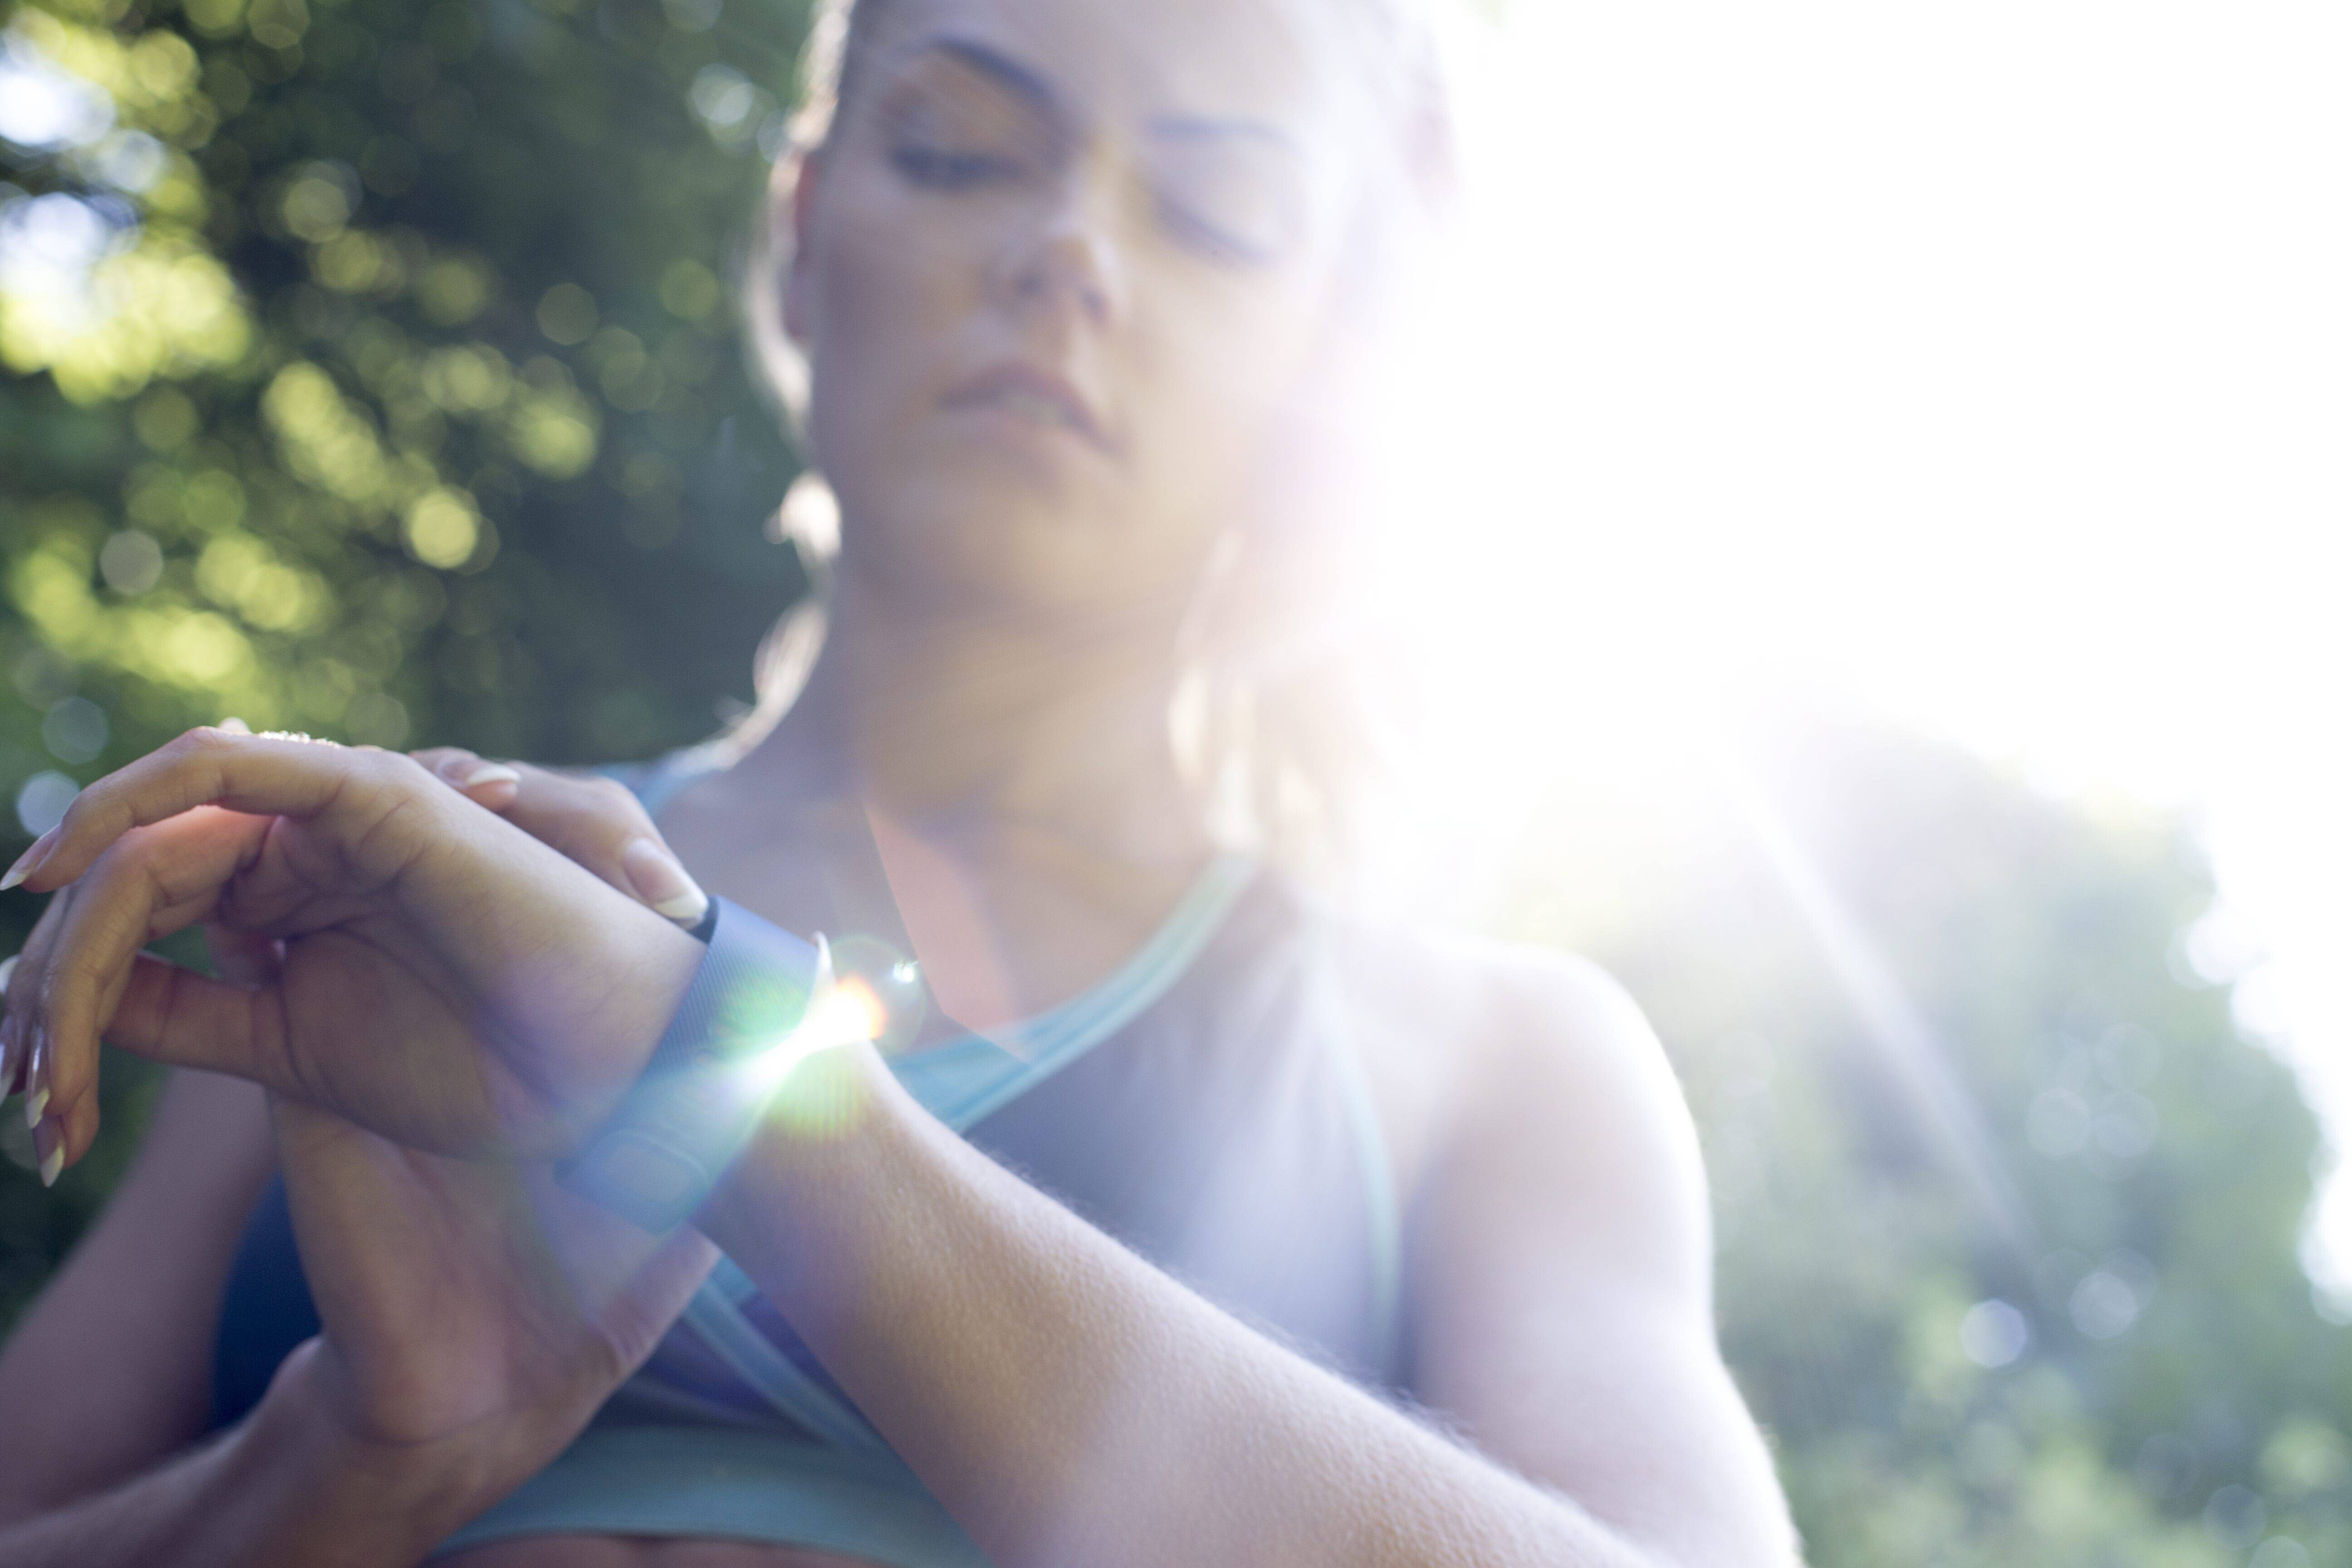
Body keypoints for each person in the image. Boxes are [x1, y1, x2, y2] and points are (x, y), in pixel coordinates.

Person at [0, 0, 1801, 1561]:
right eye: (957, 151)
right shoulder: (371, 908)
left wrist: (710, 1073)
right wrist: (357, 1458)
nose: (1067, 252)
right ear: (799, 226)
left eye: (1216, 211)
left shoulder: (1492, 1067)